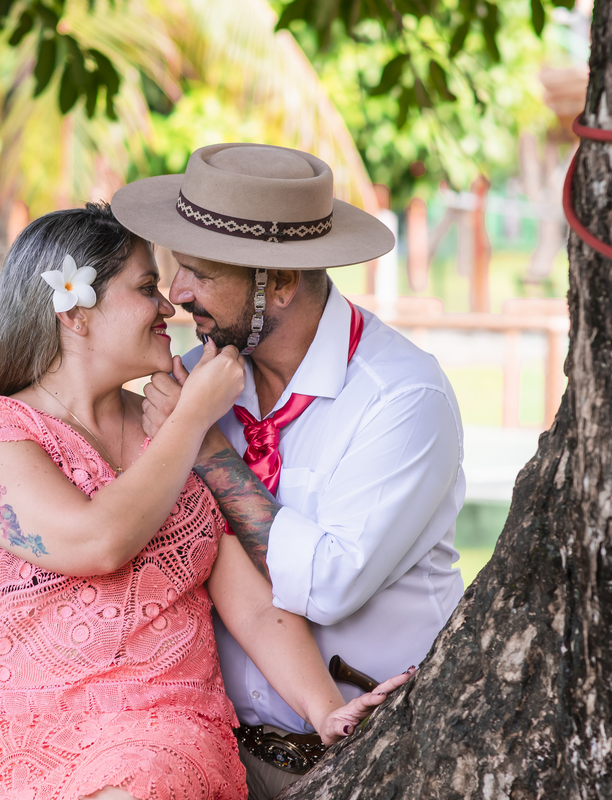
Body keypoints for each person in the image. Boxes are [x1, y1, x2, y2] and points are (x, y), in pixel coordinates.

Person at [0, 202, 413, 800]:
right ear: (75, 312)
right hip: (16, 727)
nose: (169, 306)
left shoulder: (167, 425)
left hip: (163, 731)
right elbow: (96, 542)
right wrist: (193, 418)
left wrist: (326, 708)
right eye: (147, 288)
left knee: (138, 784)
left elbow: (253, 606)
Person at [110, 143, 467, 799]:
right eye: (175, 269)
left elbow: (328, 584)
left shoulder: (400, 395)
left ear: (278, 282)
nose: (177, 294)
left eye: (199, 274)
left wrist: (204, 448)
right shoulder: (197, 379)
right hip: (218, 758)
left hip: (379, 761)